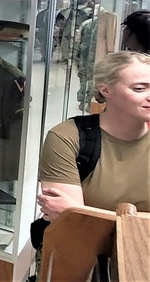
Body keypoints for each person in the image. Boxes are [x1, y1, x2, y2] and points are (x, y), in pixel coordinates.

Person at [37, 51, 150, 219]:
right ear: (105, 90)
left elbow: (72, 214)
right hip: (84, 245)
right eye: (139, 89)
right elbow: (70, 223)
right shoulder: (67, 137)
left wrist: (83, 212)